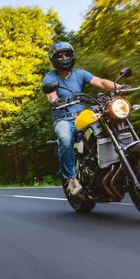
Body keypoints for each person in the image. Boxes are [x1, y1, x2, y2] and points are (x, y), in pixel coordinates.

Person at [42, 41, 121, 195]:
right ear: (54, 59)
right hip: (63, 118)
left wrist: (119, 87)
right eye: (60, 55)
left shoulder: (80, 73)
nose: (64, 57)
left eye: (66, 54)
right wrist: (55, 100)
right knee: (64, 138)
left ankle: (115, 164)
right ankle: (71, 178)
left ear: (72, 56)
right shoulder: (50, 77)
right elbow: (51, 94)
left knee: (111, 122)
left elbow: (102, 82)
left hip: (83, 115)